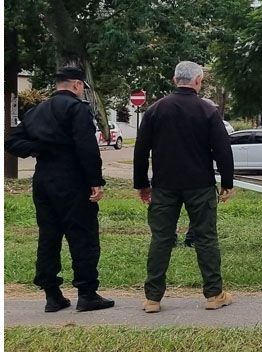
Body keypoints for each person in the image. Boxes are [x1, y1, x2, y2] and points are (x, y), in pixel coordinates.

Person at [4, 66, 114, 312]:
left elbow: (11, 141)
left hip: (43, 180)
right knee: (82, 236)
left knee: (48, 237)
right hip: (73, 180)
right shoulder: (77, 109)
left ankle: (52, 295)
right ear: (77, 85)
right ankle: (87, 293)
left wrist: (39, 148)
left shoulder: (36, 111)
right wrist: (95, 181)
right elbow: (87, 148)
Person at [133, 61, 236, 313]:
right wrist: (227, 182)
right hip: (200, 185)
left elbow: (140, 150)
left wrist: (142, 184)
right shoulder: (208, 110)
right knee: (206, 238)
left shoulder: (155, 110)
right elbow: (222, 149)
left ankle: (153, 299)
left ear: (174, 79)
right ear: (198, 81)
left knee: (161, 238)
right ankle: (214, 294)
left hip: (164, 186)